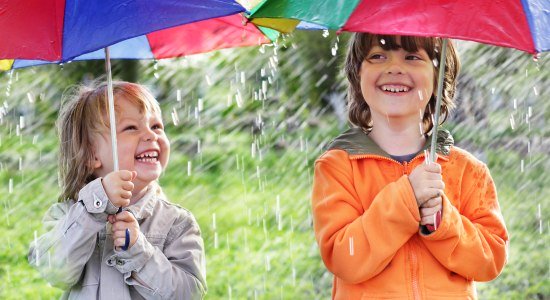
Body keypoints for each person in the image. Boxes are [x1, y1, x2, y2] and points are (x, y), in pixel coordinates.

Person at [311, 34, 508, 299]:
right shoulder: (338, 167)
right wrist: (406, 199)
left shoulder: (468, 171)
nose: (394, 67)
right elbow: (345, 259)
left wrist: (444, 223)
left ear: (438, 78)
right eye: (378, 56)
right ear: (357, 74)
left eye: (413, 57)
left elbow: (490, 260)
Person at [28, 81, 206, 299]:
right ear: (91, 155)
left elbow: (189, 293)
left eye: (156, 126)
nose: (151, 135)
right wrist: (94, 208)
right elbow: (55, 271)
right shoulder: (68, 215)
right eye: (131, 128)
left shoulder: (176, 223)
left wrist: (140, 252)